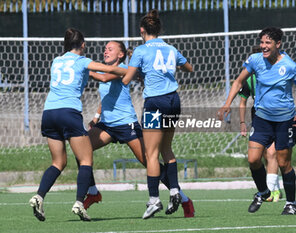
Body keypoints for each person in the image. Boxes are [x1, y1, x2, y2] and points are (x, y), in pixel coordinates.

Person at [83, 40, 195, 218]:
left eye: (110, 49)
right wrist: (96, 117)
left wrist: (81, 66)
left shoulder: (123, 69)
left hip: (126, 124)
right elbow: (107, 96)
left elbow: (104, 78)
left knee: (150, 162)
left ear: (120, 55)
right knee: (81, 148)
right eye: (105, 49)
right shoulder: (103, 68)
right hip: (107, 125)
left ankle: (183, 198)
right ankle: (93, 191)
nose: (105, 51)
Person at [29, 28, 126, 222]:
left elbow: (96, 75)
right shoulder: (82, 61)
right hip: (68, 112)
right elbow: (107, 70)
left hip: (49, 113)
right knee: (85, 159)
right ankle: (79, 203)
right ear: (82, 45)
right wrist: (131, 71)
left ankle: (38, 196)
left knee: (58, 162)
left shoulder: (56, 61)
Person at [218, 27, 296, 215]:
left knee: (283, 164)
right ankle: (263, 191)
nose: (263, 46)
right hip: (261, 119)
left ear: (278, 44)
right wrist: (227, 103)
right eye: (262, 42)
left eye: (268, 43)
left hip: (285, 121)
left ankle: (291, 203)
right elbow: (238, 82)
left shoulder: (290, 66)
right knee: (253, 159)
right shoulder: (255, 60)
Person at [122, 9, 193, 219]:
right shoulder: (170, 49)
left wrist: (133, 67)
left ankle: (153, 200)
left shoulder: (141, 51)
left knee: (150, 154)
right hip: (174, 100)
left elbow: (126, 79)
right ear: (159, 29)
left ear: (142, 30)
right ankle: (174, 191)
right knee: (167, 149)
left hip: (155, 103)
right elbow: (189, 67)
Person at [239, 45, 282, 202]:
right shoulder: (249, 79)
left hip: (277, 118)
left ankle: (272, 190)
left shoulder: (276, 72)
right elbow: (242, 102)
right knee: (259, 156)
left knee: (272, 153)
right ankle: (268, 187)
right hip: (258, 119)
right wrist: (242, 122)